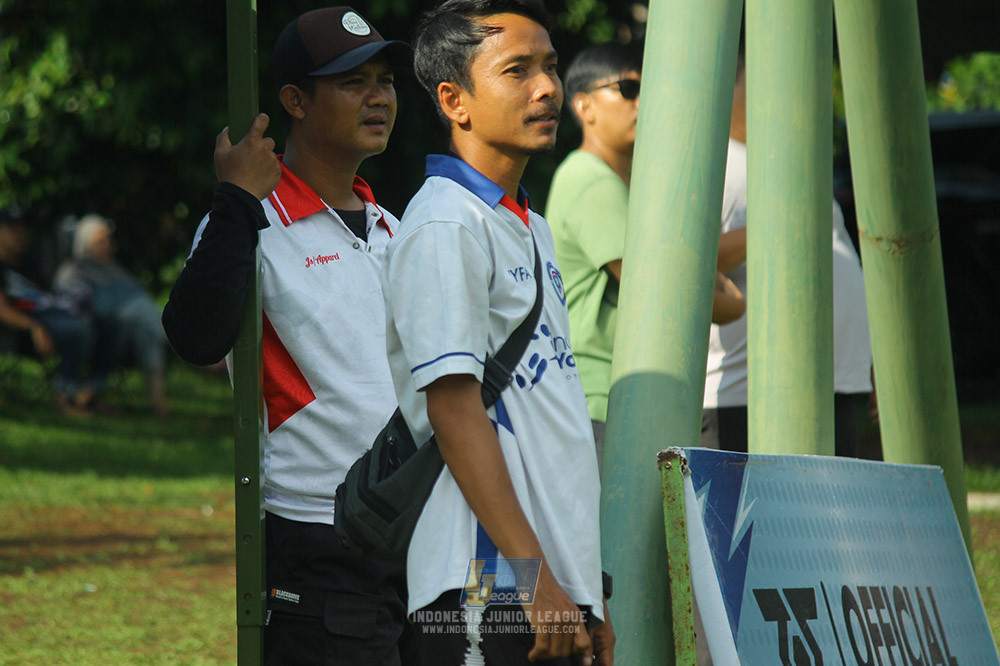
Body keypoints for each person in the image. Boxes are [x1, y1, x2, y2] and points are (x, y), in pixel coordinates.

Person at [161, 7, 419, 664]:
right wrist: (236, 199)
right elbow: (195, 338)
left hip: (425, 528)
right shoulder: (250, 221)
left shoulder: (399, 228)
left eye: (384, 80)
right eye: (352, 81)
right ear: (295, 101)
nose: (378, 97)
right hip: (318, 534)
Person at [383, 2, 614, 664]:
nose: (547, 88)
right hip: (486, 584)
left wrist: (584, 594)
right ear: (454, 100)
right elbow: (454, 410)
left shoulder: (526, 224)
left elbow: (549, 424)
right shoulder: (446, 225)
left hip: (545, 582)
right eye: (517, 70)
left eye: (550, 67)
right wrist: (532, 577)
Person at [545, 45, 746, 461]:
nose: (643, 101)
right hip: (602, 400)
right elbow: (678, 292)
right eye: (628, 88)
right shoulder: (590, 180)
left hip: (619, 397)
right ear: (584, 105)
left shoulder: (623, 185)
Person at [700, 55, 874, 457]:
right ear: (730, 88)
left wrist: (869, 361)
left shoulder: (787, 161)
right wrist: (781, 225)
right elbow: (692, 266)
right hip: (747, 395)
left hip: (834, 381)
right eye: (760, 80)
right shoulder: (716, 166)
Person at [0, 207, 113, 415]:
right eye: (13, 229)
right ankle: (66, 397)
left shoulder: (28, 263)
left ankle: (90, 394)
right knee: (78, 330)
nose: (20, 234)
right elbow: (2, 309)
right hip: (26, 324)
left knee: (108, 323)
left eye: (22, 229)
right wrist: (33, 326)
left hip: (53, 312)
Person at [54, 214, 169, 415]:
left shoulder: (115, 270)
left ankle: (154, 399)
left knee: (147, 328)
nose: (108, 246)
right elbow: (72, 308)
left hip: (122, 333)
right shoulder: (72, 272)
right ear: (85, 245)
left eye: (108, 240)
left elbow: (138, 295)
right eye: (101, 241)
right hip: (89, 331)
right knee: (137, 325)